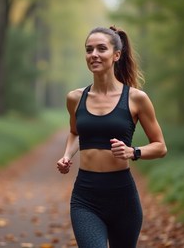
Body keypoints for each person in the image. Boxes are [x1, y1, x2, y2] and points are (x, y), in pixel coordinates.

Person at [56, 26, 167, 248]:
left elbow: (160, 146)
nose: (94, 54)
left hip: (122, 198)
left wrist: (133, 152)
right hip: (85, 197)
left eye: (101, 49)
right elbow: (76, 132)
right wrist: (67, 155)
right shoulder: (75, 98)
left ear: (116, 55)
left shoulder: (136, 99)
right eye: (89, 50)